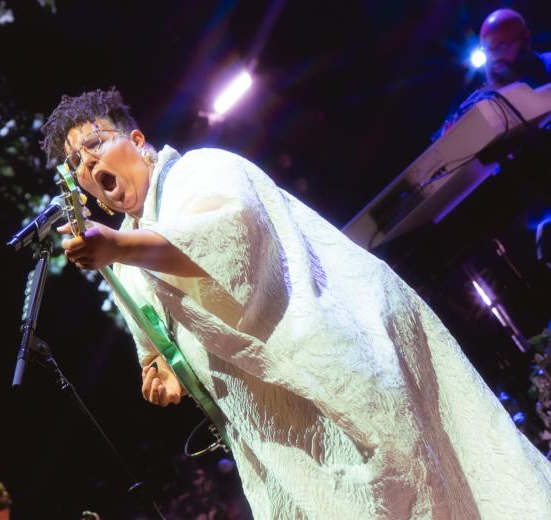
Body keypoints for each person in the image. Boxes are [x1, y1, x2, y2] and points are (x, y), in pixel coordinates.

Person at [42, 88, 551, 518]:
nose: (88, 163)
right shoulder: (126, 264)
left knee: (421, 495)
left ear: (137, 141)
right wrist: (164, 369)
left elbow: (226, 241)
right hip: (275, 430)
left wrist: (118, 247)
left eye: (95, 144)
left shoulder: (201, 169)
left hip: (337, 370)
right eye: (76, 163)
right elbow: (157, 346)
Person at [435, 8, 551, 138]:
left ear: (525, 39)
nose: (493, 57)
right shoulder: (483, 96)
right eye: (487, 49)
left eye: (500, 46)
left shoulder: (547, 64)